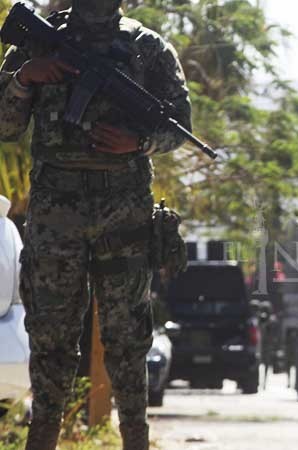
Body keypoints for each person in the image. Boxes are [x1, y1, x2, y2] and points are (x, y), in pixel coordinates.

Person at [0, 1, 191, 449]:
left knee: (128, 340)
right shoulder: (37, 39)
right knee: (50, 339)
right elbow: (5, 127)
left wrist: (139, 142)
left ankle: (135, 440)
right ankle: (42, 440)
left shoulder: (147, 48)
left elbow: (180, 127)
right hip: (54, 217)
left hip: (122, 215)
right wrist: (27, 77)